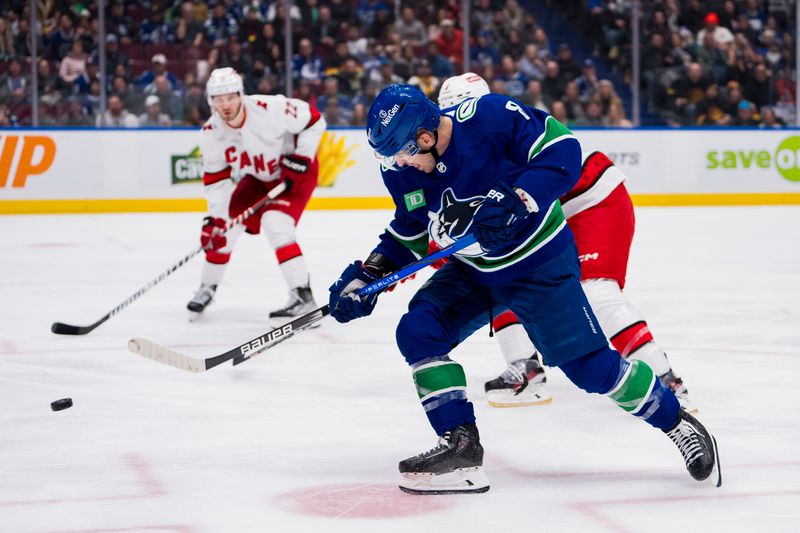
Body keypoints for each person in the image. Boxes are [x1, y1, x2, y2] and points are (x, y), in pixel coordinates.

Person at [328, 84, 721, 494]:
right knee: (418, 330)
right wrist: (368, 275)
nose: (399, 163)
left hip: (539, 266)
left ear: (425, 137)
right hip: (474, 271)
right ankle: (461, 447)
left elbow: (564, 150)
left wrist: (522, 195)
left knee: (591, 369)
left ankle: (677, 422)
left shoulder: (491, 117)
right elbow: (409, 231)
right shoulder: (402, 168)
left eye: (404, 152)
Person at [435, 73, 694, 411]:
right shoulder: (463, 149)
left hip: (592, 202)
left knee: (596, 291)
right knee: (499, 275)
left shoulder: (497, 130)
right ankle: (525, 367)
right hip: (551, 214)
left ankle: (665, 379)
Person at [188, 68, 326, 323]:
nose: (225, 105)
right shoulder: (211, 133)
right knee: (223, 231)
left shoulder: (270, 108)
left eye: (230, 97)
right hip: (259, 179)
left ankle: (303, 296)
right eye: (218, 99)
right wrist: (215, 219)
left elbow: (315, 120)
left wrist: (302, 156)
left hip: (295, 173)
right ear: (211, 101)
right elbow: (217, 182)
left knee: (276, 223)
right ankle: (207, 287)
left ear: (240, 94)